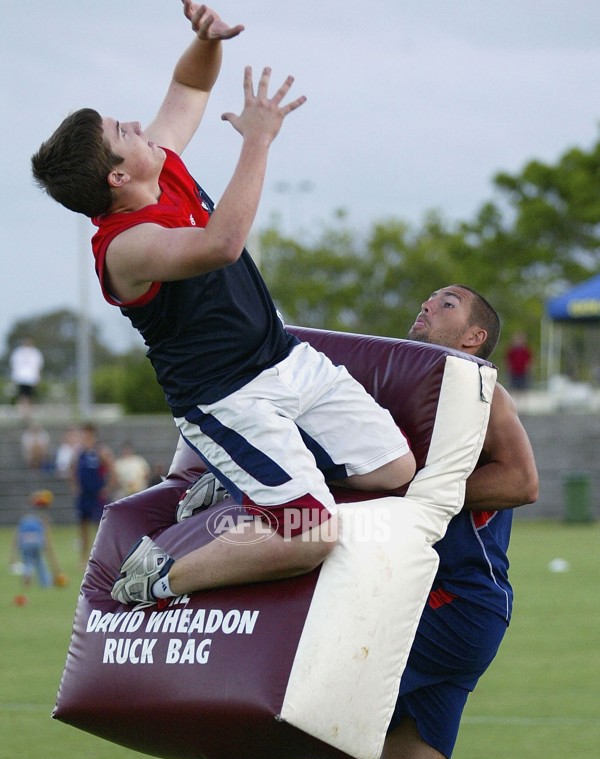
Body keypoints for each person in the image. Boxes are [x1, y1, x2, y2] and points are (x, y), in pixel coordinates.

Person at [31, 2, 415, 608]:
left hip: (284, 357)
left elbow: (189, 83)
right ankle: (159, 575)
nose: (137, 125)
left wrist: (206, 39)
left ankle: (232, 482)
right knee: (311, 533)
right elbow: (222, 244)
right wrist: (258, 142)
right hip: (226, 399)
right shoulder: (125, 247)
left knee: (394, 473)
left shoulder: (157, 164)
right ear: (115, 178)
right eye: (121, 132)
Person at [275, 286, 539, 759]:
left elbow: (522, 483)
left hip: (455, 602)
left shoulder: (481, 393)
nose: (429, 306)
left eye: (448, 304)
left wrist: (412, 496)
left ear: (477, 337)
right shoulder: (400, 391)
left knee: (320, 669)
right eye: (427, 301)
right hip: (438, 605)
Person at [71, 423, 115, 561]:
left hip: (97, 495)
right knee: (83, 526)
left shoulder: (100, 451)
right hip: (84, 495)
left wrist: (107, 488)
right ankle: (83, 558)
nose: (85, 437)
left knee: (100, 527)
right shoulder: (80, 453)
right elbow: (72, 469)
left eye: (87, 434)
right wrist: (75, 486)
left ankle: (100, 557)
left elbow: (113, 470)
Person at [11, 490, 62, 588]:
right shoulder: (43, 519)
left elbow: (17, 536)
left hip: (25, 541)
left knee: (27, 561)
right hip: (37, 540)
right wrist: (56, 568)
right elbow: (48, 543)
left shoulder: (25, 517)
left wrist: (13, 555)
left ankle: (27, 575)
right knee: (40, 562)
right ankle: (45, 582)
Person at [9, 337, 44, 420]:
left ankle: (28, 414)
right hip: (21, 377)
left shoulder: (35, 352)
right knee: (22, 396)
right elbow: (15, 365)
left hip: (31, 378)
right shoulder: (18, 352)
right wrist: (14, 378)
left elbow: (38, 366)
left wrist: (38, 378)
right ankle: (22, 413)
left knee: (30, 397)